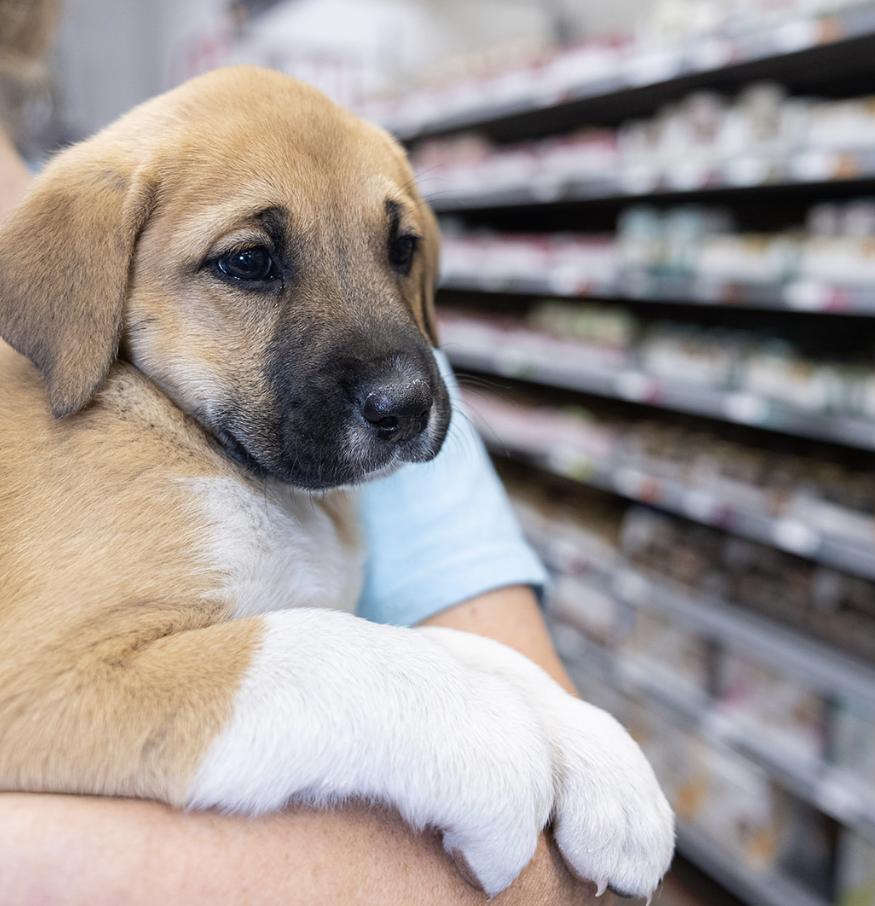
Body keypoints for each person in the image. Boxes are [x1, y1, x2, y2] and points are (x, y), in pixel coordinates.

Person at [0, 9, 608, 902]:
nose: (406, 381)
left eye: (399, 251)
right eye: (251, 263)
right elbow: (44, 697)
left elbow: (557, 872)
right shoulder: (89, 265)